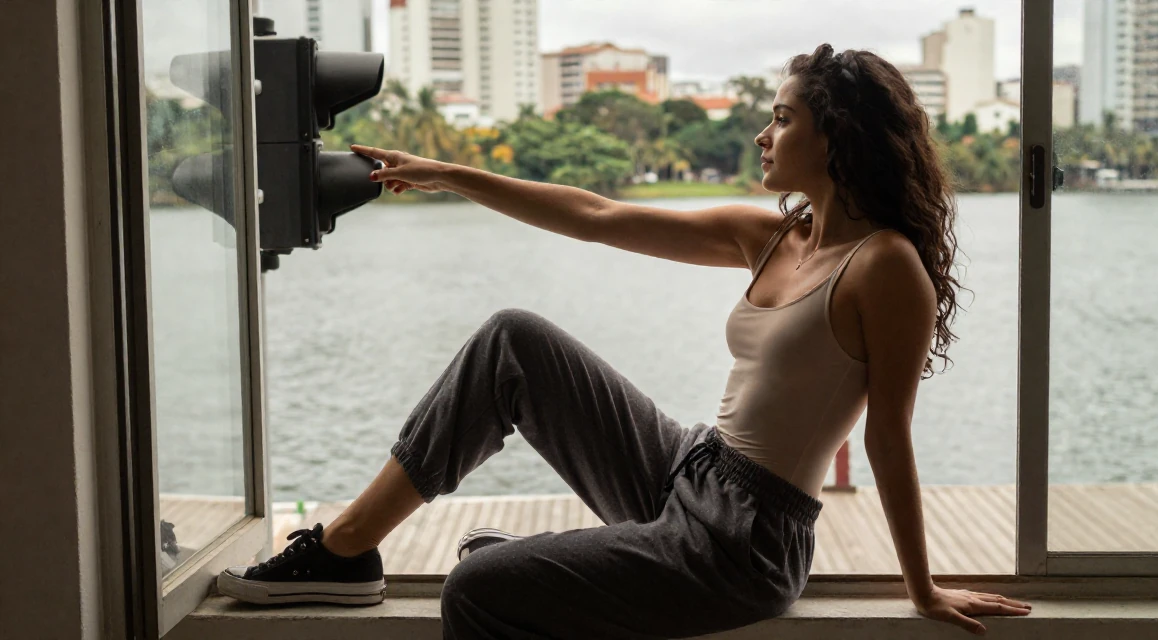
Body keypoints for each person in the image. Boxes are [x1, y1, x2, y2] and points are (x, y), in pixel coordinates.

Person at [216, 43, 1033, 637]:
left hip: (745, 543)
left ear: (838, 136)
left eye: (781, 118)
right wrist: (450, 175)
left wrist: (922, 589)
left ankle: (555, 566)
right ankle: (345, 552)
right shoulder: (774, 235)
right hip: (690, 467)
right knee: (515, 342)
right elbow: (598, 218)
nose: (763, 135)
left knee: (473, 588)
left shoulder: (886, 268)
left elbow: (889, 439)